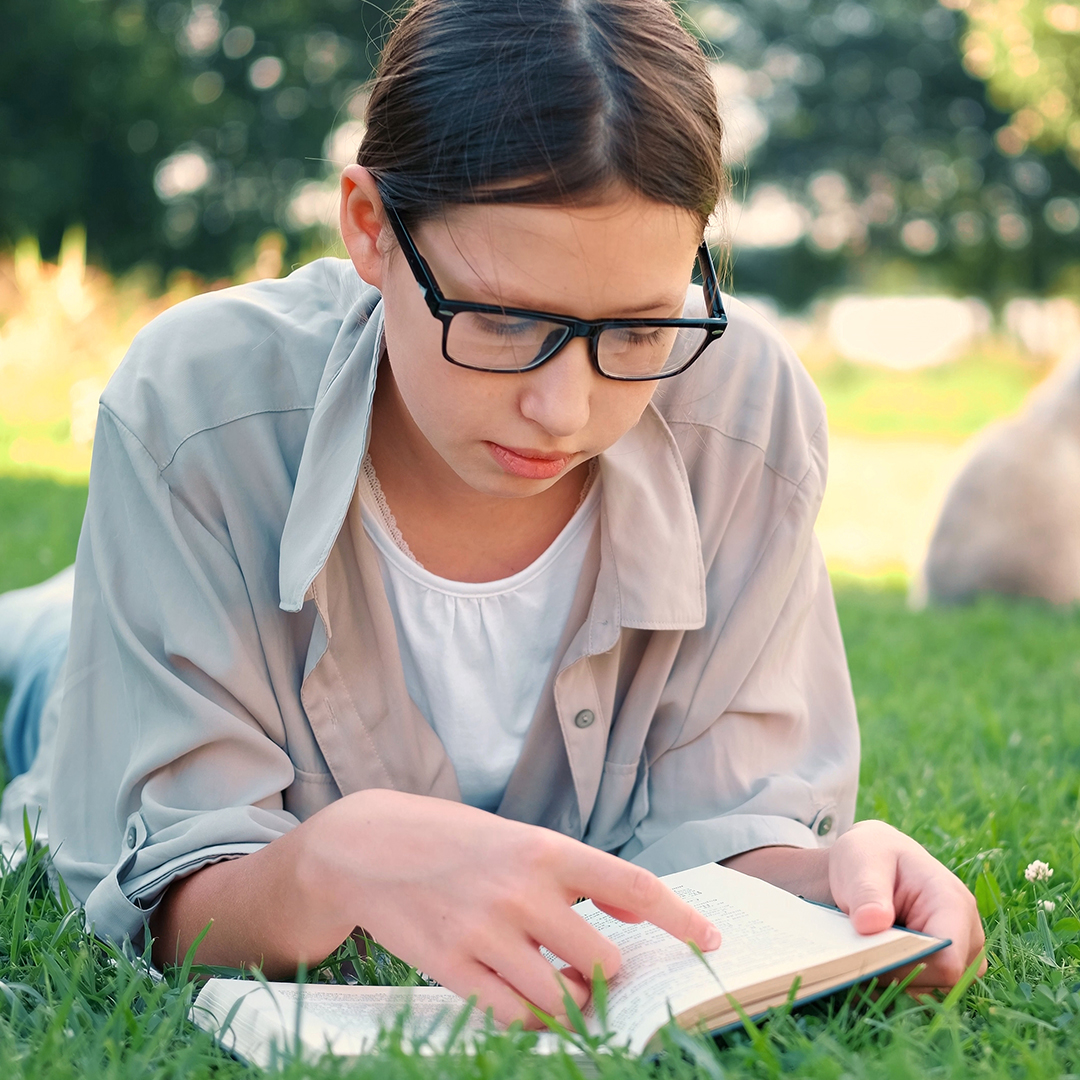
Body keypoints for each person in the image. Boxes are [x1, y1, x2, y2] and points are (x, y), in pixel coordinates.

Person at [0, 0, 983, 1029]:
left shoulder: (746, 415)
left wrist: (832, 881)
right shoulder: (199, 403)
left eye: (641, 328)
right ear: (370, 229)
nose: (564, 412)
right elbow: (150, 885)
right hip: (85, 672)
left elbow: (722, 828)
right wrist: (338, 855)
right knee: (49, 657)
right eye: (504, 318)